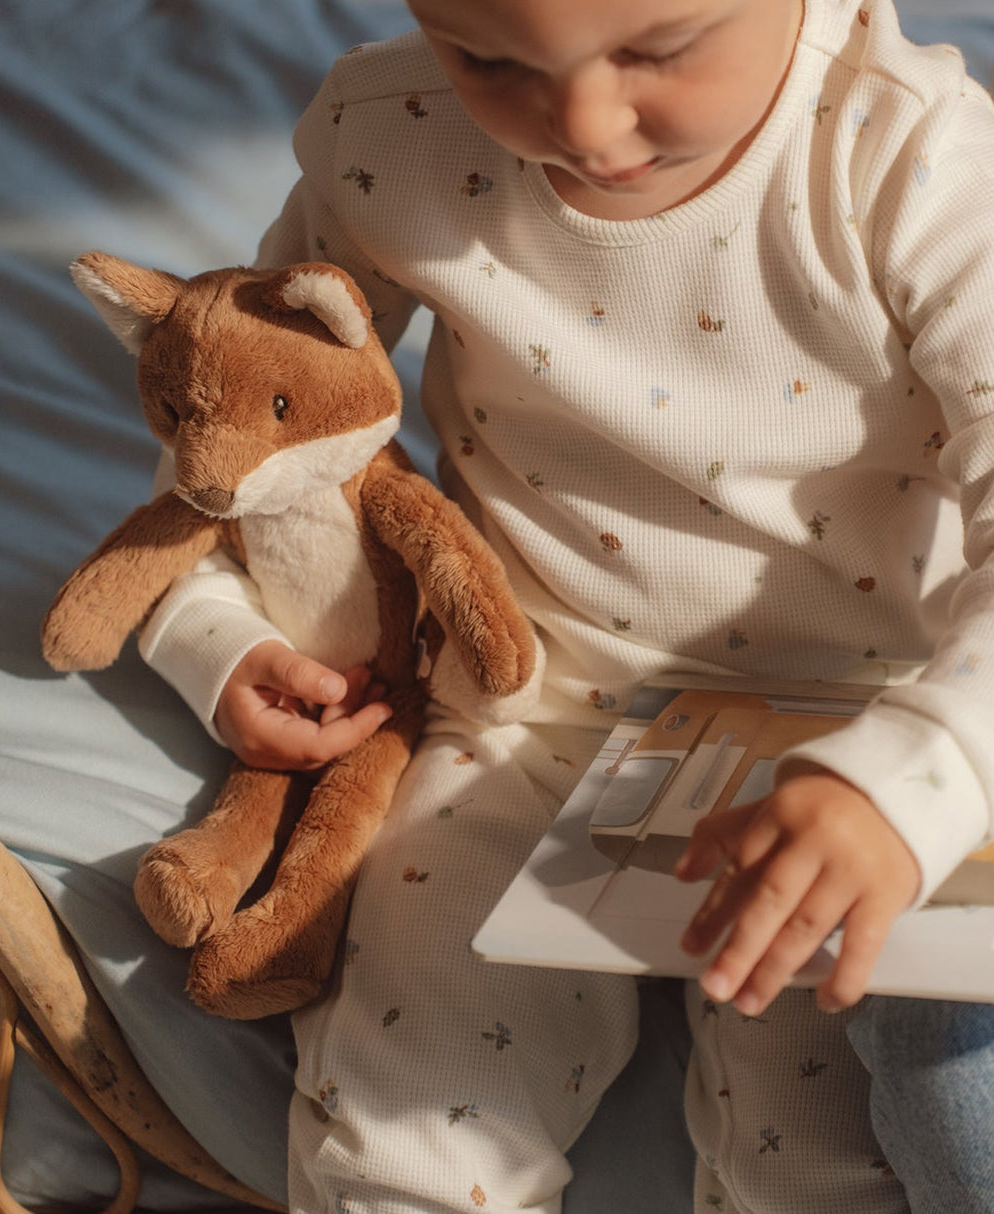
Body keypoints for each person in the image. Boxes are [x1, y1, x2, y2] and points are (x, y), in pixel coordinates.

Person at [137, 0, 994, 1208]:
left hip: (846, 730)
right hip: (527, 716)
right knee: (398, 1140)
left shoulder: (913, 161)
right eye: (486, 57)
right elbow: (244, 407)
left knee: (816, 1170)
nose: (585, 125)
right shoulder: (387, 132)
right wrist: (214, 634)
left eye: (659, 48)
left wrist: (920, 770)